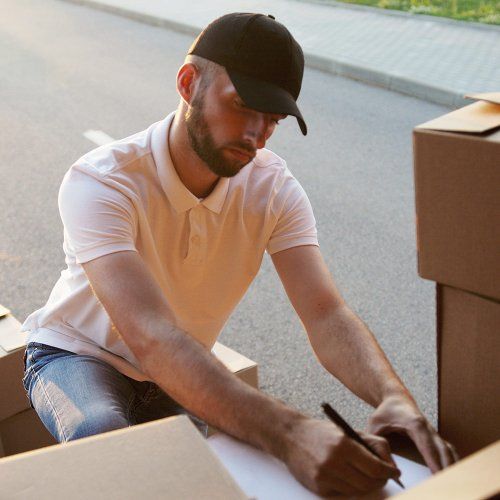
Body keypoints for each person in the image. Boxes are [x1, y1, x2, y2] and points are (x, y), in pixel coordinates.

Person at [21, 12, 457, 497]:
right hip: (78, 354)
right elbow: (151, 334)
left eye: (273, 118)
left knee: (206, 478)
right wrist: (291, 432)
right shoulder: (103, 180)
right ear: (189, 84)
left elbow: (325, 313)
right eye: (243, 106)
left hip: (180, 370)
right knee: (105, 440)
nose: (257, 133)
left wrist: (393, 397)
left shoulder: (274, 188)